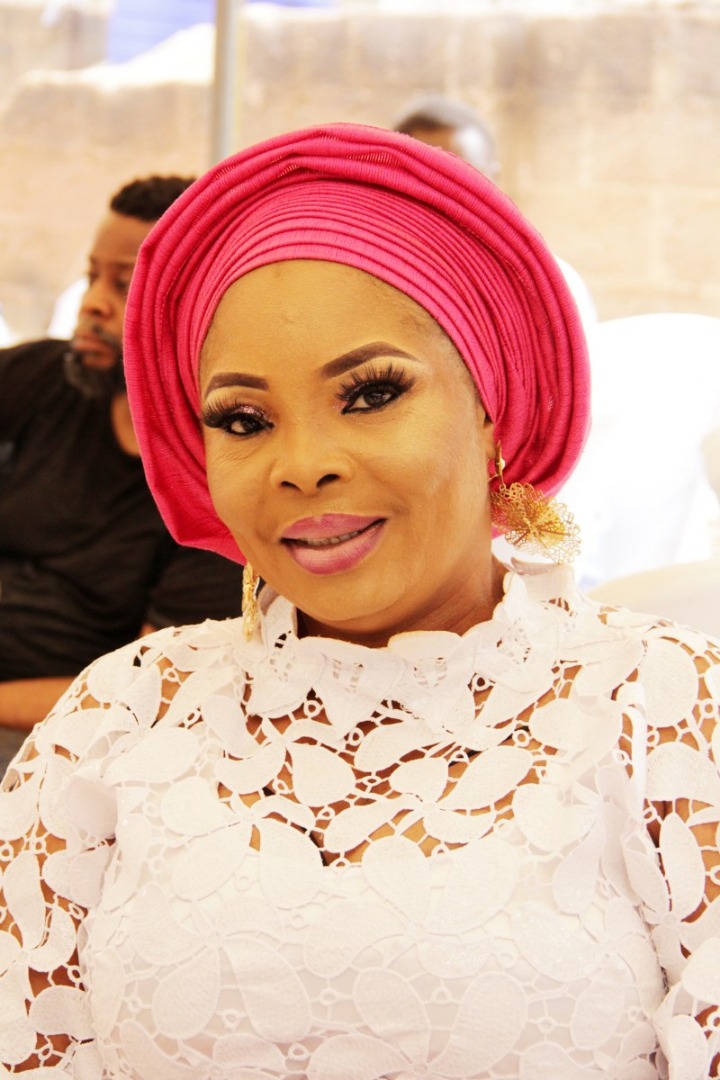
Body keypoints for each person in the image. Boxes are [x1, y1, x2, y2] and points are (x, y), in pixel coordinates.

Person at [0, 124, 718, 1080]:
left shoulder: (665, 709)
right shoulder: (116, 718)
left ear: (491, 402)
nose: (303, 465)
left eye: (371, 394)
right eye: (244, 419)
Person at [0, 175, 242, 765]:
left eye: (123, 283)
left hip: (53, 735)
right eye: (91, 277)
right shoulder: (43, 378)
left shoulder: (213, 486)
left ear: (192, 309)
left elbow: (143, 690)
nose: (92, 304)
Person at [394, 94, 598, 330]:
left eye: (466, 175)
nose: (445, 194)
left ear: (494, 178)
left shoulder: (552, 289)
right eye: (424, 176)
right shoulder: (372, 281)